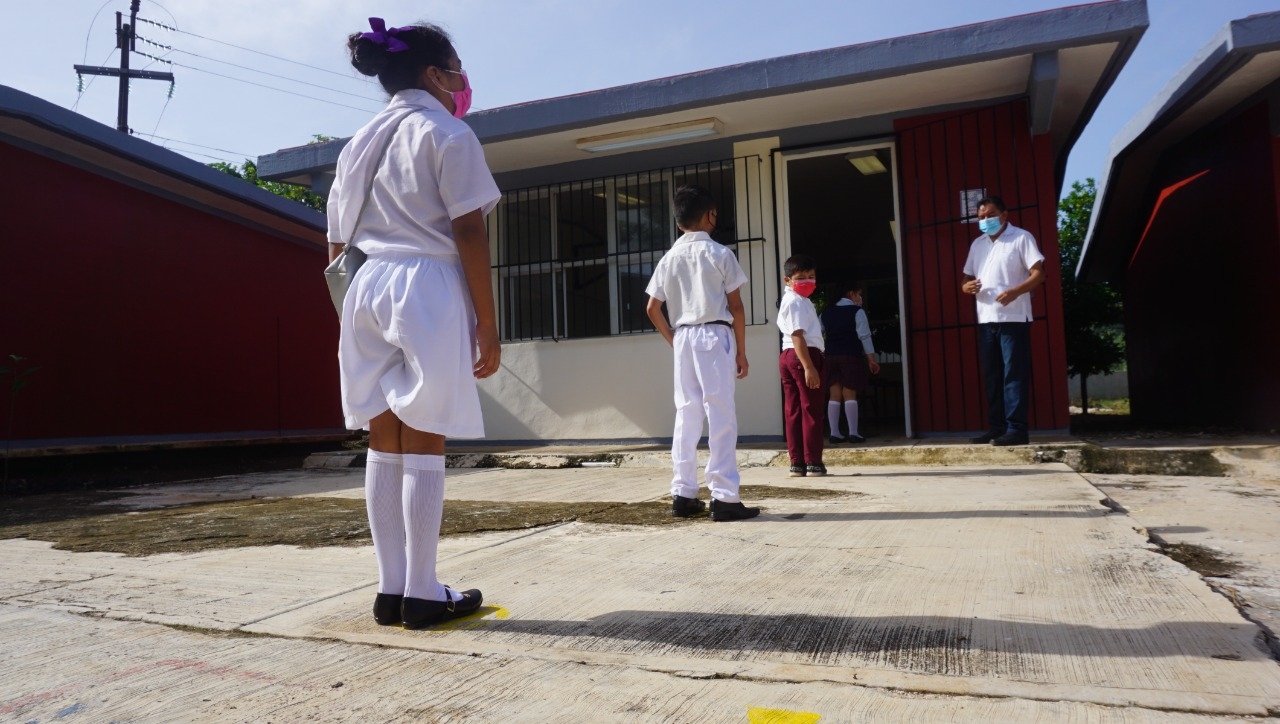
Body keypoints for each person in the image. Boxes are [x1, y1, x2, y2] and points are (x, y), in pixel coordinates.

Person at [330, 18, 499, 629]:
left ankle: (390, 588)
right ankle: (425, 592)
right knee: (425, 433)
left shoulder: (357, 144)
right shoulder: (447, 132)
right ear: (434, 73)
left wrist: (352, 313)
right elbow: (469, 227)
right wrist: (488, 321)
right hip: (426, 281)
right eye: (455, 68)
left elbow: (334, 243)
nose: (461, 81)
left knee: (385, 435)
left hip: (364, 283)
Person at [645, 185, 759, 522]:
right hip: (714, 333)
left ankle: (683, 493)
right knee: (720, 411)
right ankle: (724, 496)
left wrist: (673, 339)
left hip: (684, 337)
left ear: (679, 223)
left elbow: (652, 307)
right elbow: (736, 308)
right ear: (710, 216)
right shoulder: (721, 254)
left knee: (687, 413)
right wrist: (741, 352)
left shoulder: (669, 259)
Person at [961, 195, 1046, 446]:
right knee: (993, 376)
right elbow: (965, 279)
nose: (985, 220)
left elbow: (1039, 273)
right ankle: (997, 428)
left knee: (1013, 375)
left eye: (990, 215)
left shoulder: (1021, 237)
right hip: (986, 319)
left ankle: (1017, 430)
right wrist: (967, 288)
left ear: (1004, 215)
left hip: (1014, 318)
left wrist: (1015, 292)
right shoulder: (977, 244)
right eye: (981, 217)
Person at [777, 255, 827, 477]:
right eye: (801, 278)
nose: (807, 281)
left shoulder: (796, 300)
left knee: (794, 410)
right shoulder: (796, 302)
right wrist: (809, 366)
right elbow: (798, 335)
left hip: (788, 356)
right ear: (787, 280)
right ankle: (813, 462)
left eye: (811, 277)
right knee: (811, 409)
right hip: (803, 355)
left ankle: (797, 462)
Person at [820, 281, 881, 444]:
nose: (860, 297)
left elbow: (818, 336)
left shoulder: (825, 313)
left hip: (831, 356)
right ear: (850, 294)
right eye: (858, 294)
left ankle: (834, 433)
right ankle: (853, 432)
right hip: (851, 356)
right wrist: (871, 359)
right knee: (850, 392)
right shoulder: (857, 312)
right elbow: (864, 336)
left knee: (834, 393)